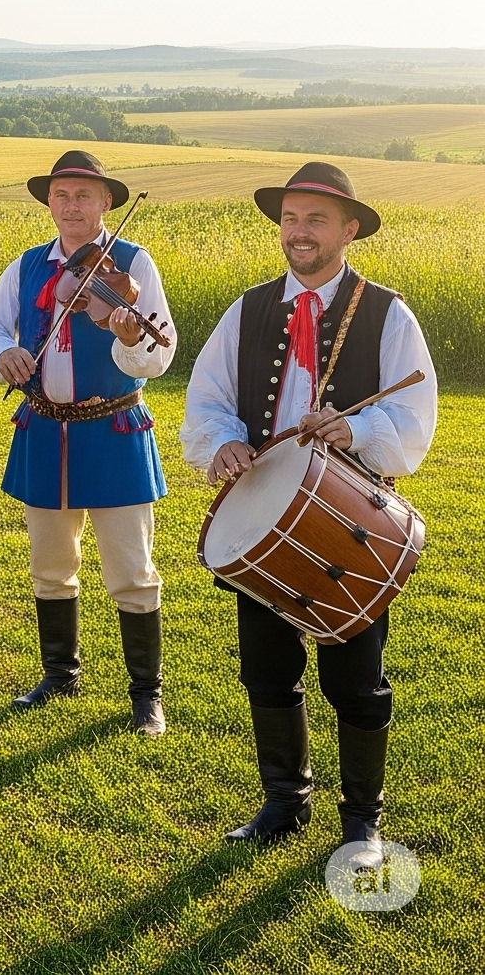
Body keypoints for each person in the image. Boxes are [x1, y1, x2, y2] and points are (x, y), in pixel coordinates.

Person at [182, 163, 436, 852]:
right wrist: (224, 448)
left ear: (349, 230)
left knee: (356, 681)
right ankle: (285, 803)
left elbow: (414, 415)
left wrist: (355, 429)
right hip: (263, 517)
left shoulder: (387, 311)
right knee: (266, 670)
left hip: (348, 518)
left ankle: (363, 823)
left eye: (316, 219)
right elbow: (206, 400)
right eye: (291, 218)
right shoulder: (250, 307)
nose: (299, 232)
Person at [0, 149, 177, 736]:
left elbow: (157, 358)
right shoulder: (29, 266)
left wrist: (126, 333)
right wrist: (1, 353)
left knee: (132, 572)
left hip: (113, 431)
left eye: (83, 195)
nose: (70, 206)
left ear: (106, 202)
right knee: (51, 566)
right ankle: (60, 673)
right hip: (43, 430)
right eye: (61, 195)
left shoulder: (132, 265)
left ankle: (146, 695)